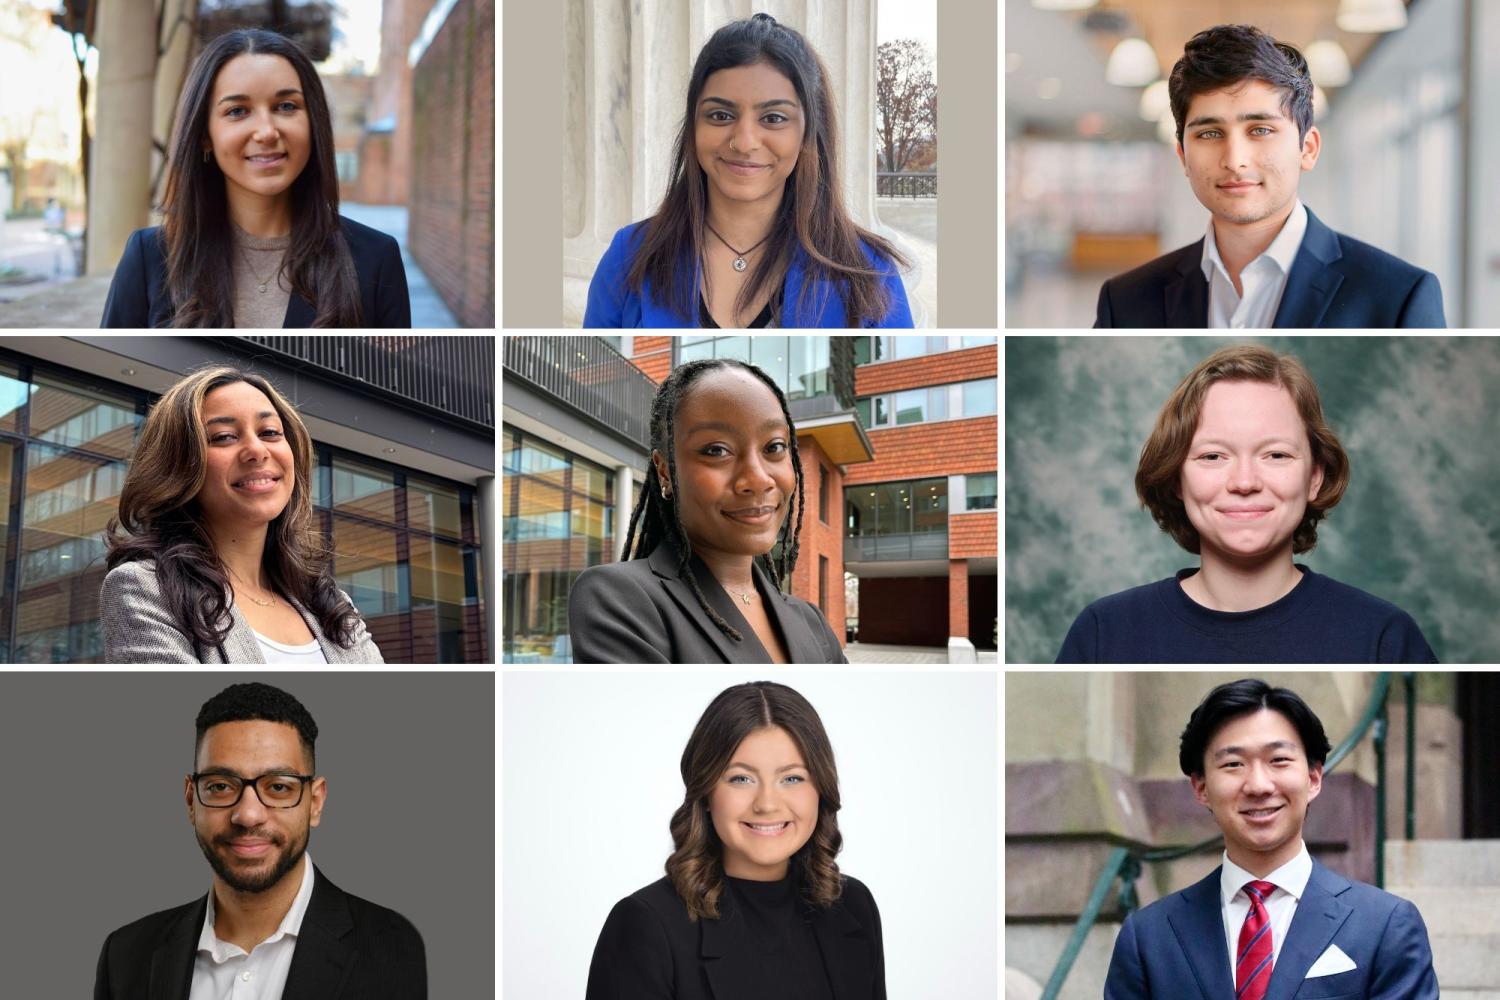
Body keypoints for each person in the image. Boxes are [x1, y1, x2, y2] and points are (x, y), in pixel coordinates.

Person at [1057, 345, 1436, 663]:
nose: (1244, 483)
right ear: (1176, 478)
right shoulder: (1103, 633)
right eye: (1212, 457)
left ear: (1315, 477)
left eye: (1275, 455)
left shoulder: (1381, 637)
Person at [1104, 679, 1437, 999]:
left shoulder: (1384, 925)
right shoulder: (1148, 937)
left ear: (1313, 777)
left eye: (1278, 760)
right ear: (1201, 788)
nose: (1259, 785)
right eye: (1233, 764)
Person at [1094, 24, 1444, 329]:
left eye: (1260, 130)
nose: (1235, 160)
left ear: (1307, 148)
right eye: (1210, 134)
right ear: (1183, 156)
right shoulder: (1125, 302)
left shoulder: (1398, 298)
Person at [93, 682, 427, 998]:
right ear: (191, 800)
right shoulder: (126, 956)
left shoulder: (392, 948)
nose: (248, 815)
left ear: (315, 802)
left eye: (279, 787)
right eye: (221, 786)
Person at [583, 13, 913, 329]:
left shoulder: (870, 272)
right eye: (720, 115)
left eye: (773, 118)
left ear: (809, 134)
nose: (744, 142)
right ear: (693, 127)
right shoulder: (629, 256)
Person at [586, 681, 884, 998]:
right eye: (741, 778)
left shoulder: (852, 905)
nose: (767, 803)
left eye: (792, 778)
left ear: (820, 789)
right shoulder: (646, 925)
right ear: (706, 791)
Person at [100, 29, 410, 328]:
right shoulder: (150, 257)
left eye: (286, 106)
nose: (266, 131)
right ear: (205, 135)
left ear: (313, 122)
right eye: (237, 111)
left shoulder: (375, 259)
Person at [99, 366, 384, 663]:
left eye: (270, 432)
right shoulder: (144, 589)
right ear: (178, 466)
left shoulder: (332, 605)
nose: (257, 450)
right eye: (223, 437)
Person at [569, 358, 845, 663]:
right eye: (717, 450)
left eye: (774, 447)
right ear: (665, 473)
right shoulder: (620, 599)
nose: (757, 479)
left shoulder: (812, 623)